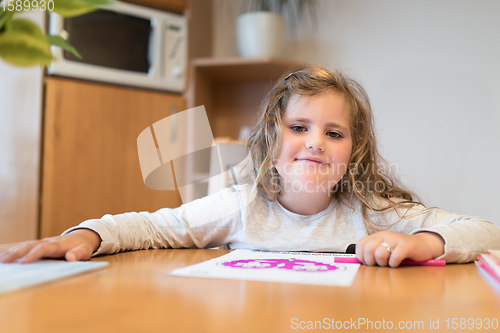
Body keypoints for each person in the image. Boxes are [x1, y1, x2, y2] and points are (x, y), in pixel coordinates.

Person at [2, 66, 499, 267]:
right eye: (298, 127)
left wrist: (423, 242)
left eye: (334, 133)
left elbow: (484, 230)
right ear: (268, 141)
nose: (315, 143)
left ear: (356, 154)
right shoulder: (241, 206)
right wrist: (88, 234)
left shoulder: (372, 210)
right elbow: (156, 226)